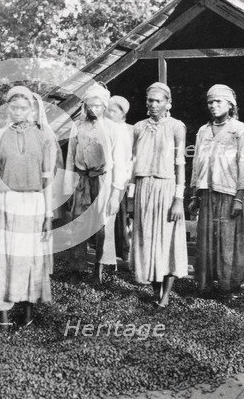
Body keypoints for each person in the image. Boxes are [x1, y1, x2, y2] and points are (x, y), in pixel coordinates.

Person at [0, 85, 56, 329]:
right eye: (13, 107)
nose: (18, 112)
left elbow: (48, 178)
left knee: (29, 257)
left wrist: (48, 214)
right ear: (8, 109)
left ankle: (28, 310)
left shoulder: (43, 135)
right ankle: (4, 313)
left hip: (34, 203)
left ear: (31, 108)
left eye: (23, 107)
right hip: (7, 202)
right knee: (6, 256)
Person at [189, 84, 244, 297]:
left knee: (229, 242)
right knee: (207, 241)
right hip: (207, 194)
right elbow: (197, 164)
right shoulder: (203, 131)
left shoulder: (239, 130)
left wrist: (239, 198)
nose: (213, 105)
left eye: (218, 101)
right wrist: (194, 194)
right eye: (210, 102)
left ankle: (229, 287)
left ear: (231, 104)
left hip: (230, 195)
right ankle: (207, 285)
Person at [128, 82, 188, 308]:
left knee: (167, 240)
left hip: (166, 189)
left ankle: (166, 296)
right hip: (144, 187)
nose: (153, 105)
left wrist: (178, 199)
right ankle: (155, 292)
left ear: (168, 103)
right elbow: (133, 164)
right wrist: (132, 197)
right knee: (149, 240)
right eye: (150, 100)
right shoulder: (138, 127)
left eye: (158, 101)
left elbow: (180, 163)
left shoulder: (176, 127)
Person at [63, 84, 129, 284]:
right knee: (78, 223)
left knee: (102, 226)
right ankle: (77, 266)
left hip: (103, 180)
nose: (94, 109)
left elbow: (120, 163)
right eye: (90, 105)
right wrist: (67, 188)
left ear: (104, 106)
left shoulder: (112, 128)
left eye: (98, 106)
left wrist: (116, 194)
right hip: (82, 179)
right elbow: (70, 158)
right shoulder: (78, 126)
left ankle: (100, 269)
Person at [106, 95, 134, 265]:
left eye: (113, 111)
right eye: (107, 110)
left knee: (122, 215)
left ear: (123, 114)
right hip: (107, 177)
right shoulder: (105, 128)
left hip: (123, 177)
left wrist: (129, 180)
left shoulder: (128, 130)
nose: (109, 113)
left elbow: (131, 157)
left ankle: (124, 251)